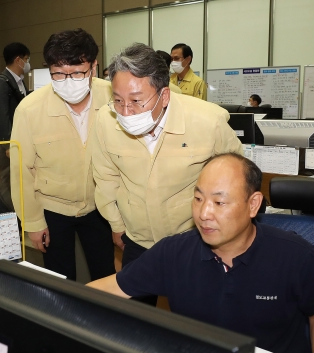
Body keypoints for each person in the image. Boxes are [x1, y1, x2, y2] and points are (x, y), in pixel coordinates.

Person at [88, 153, 314, 353]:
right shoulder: (174, 252)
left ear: (253, 205)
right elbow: (112, 289)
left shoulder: (293, 255)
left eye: (219, 202)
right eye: (198, 199)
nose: (204, 213)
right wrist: (54, 302)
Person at [90, 43, 243, 304]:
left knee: (195, 320)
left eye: (137, 101)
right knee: (137, 322)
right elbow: (106, 177)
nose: (126, 112)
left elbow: (238, 178)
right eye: (118, 100)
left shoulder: (208, 121)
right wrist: (116, 224)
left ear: (164, 95)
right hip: (137, 240)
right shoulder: (106, 120)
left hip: (195, 240)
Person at [10, 29, 115, 282]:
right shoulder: (30, 108)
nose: (68, 80)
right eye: (58, 73)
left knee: (105, 274)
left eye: (77, 72)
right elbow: (21, 170)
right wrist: (32, 222)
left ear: (93, 66)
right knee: (59, 280)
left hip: (101, 206)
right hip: (52, 208)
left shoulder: (115, 97)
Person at [0, 42, 30, 212]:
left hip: (20, 142)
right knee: (7, 186)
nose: (28, 64)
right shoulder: (1, 82)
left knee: (20, 185)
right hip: (8, 144)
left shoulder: (19, 82)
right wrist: (8, 144)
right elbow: (2, 116)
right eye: (27, 59)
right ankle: (8, 224)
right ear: (18, 60)